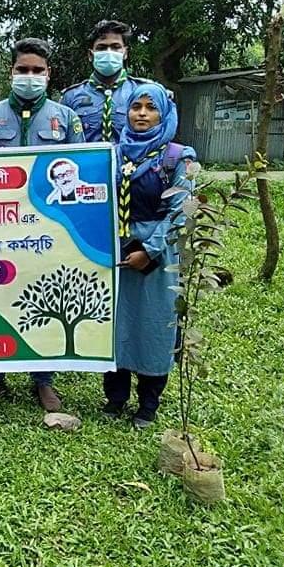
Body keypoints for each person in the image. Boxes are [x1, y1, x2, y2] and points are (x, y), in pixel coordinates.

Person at [0, 38, 84, 411]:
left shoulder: (66, 119)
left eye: (38, 71)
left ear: (48, 75)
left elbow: (80, 172)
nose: (30, 77)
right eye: (23, 70)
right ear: (11, 73)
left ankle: (43, 379)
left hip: (47, 230)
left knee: (45, 297)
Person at [104, 83, 196, 429]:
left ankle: (148, 403)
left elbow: (181, 211)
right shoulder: (112, 154)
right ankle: (115, 397)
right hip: (114, 248)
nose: (141, 114)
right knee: (117, 324)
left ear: (164, 113)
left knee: (153, 323)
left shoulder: (178, 157)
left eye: (150, 107)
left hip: (157, 252)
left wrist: (149, 250)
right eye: (135, 107)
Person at [61, 20, 167, 143]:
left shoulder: (145, 92)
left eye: (116, 47)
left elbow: (161, 137)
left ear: (125, 53)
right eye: (102, 47)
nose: (109, 52)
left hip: (133, 161)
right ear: (91, 55)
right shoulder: (70, 96)